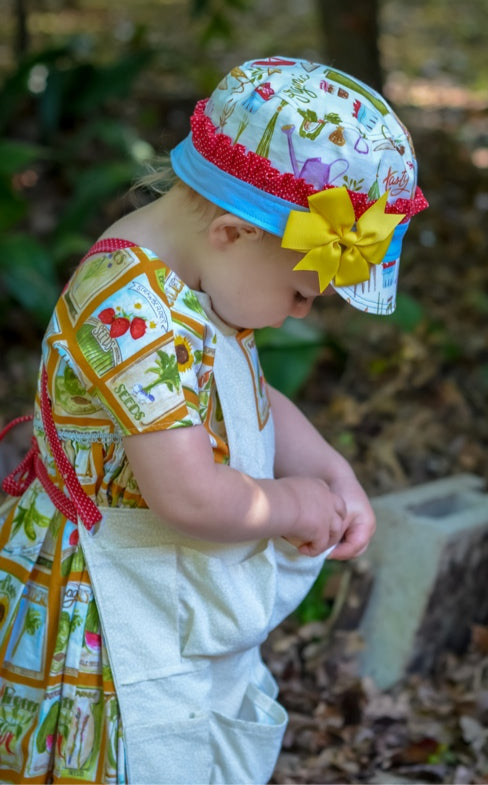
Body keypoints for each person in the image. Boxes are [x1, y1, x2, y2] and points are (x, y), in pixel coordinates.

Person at [0, 55, 427, 785]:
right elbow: (191, 495)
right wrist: (288, 503)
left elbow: (246, 390)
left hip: (165, 580)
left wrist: (326, 466)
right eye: (303, 291)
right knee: (136, 755)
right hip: (105, 613)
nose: (302, 309)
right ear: (235, 231)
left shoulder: (195, 272)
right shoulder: (130, 312)